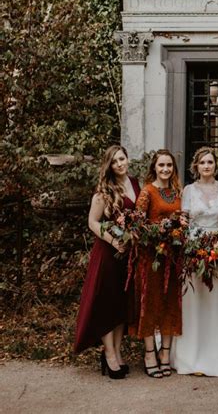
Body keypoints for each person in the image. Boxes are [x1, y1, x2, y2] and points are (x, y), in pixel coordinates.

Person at [170, 146, 218, 376]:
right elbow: (184, 220)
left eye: (210, 162)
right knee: (195, 301)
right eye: (203, 163)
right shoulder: (188, 190)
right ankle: (191, 357)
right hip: (194, 252)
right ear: (196, 166)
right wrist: (192, 248)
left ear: (215, 165)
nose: (207, 166)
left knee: (216, 303)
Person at [74, 145, 140, 379]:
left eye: (122, 158)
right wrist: (113, 241)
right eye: (114, 162)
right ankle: (109, 354)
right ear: (109, 166)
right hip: (108, 254)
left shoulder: (134, 183)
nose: (120, 164)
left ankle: (117, 352)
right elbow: (93, 222)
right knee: (106, 303)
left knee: (122, 304)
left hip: (128, 255)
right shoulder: (104, 191)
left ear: (127, 159)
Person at [128, 150, 182, 379]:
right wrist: (158, 231)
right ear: (154, 167)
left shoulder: (177, 192)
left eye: (169, 165)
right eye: (161, 165)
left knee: (171, 303)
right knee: (150, 303)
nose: (165, 169)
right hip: (151, 258)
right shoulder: (147, 191)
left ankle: (165, 355)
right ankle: (149, 353)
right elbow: (137, 225)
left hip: (173, 256)